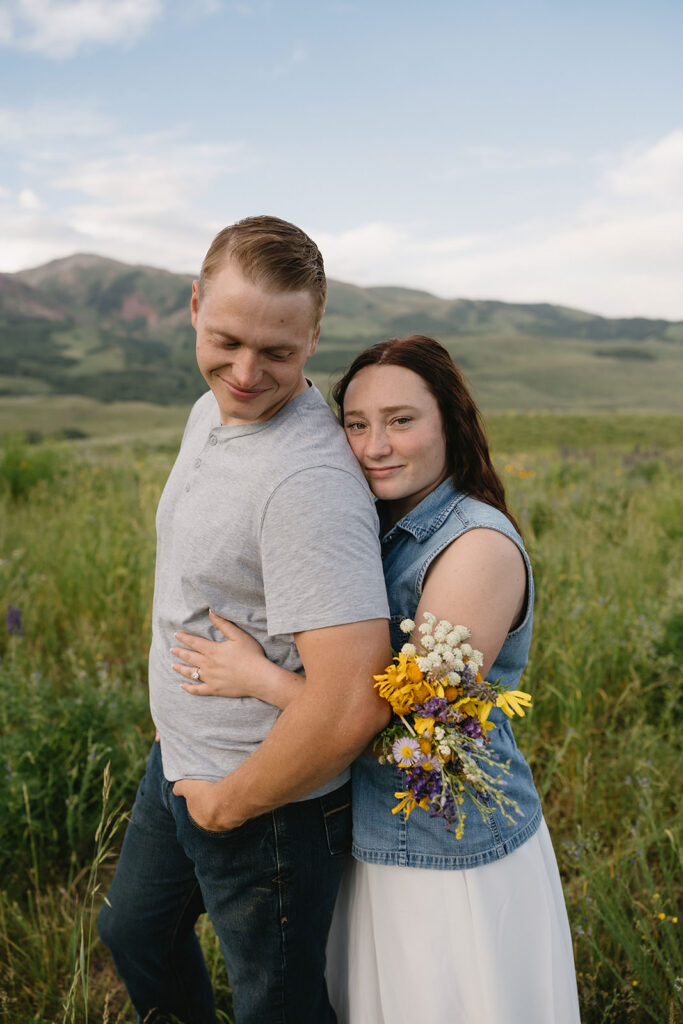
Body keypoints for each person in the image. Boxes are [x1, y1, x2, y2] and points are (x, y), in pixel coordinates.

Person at [173, 335, 581, 1024]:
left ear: (448, 423)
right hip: (368, 835)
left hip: (448, 857)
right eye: (356, 424)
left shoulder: (473, 548)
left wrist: (260, 678)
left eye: (400, 420)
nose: (373, 446)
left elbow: (425, 743)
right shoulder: (374, 525)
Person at [97, 215, 392, 1024]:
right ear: (193, 304)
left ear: (314, 335)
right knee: (135, 935)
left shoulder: (307, 485)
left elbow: (350, 701)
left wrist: (228, 804)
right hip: (181, 762)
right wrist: (174, 725)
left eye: (279, 353)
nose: (246, 372)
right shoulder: (211, 410)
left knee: (278, 1005)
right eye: (226, 340)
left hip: (265, 802)